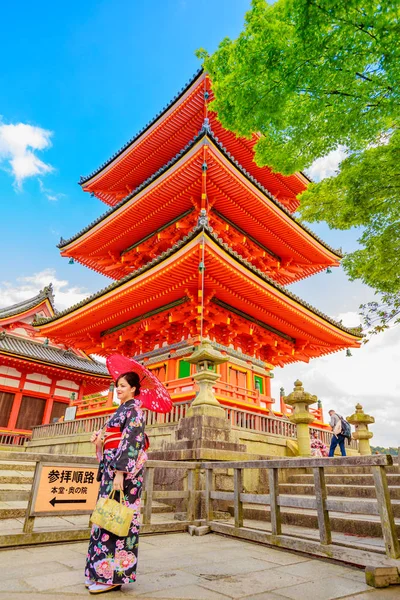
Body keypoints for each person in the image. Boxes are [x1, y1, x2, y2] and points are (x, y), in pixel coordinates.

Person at [85, 371, 147, 595]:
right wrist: (99, 443)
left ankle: (113, 576)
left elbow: (132, 442)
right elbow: (111, 441)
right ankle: (98, 571)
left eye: (122, 385)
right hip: (112, 470)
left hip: (125, 475)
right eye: (117, 385)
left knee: (117, 520)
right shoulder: (119, 412)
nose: (118, 389)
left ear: (133, 389)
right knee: (104, 517)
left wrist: (120, 472)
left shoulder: (135, 412)